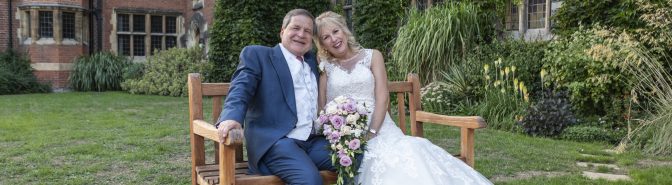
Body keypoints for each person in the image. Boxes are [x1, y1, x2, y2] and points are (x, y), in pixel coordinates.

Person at [314, 11, 493, 185]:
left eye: (335, 31)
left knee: (407, 153)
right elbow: (322, 107)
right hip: (346, 133)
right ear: (322, 45)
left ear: (344, 30)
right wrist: (339, 134)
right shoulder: (326, 67)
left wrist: (372, 133)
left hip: (380, 126)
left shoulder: (372, 56)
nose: (334, 39)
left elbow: (382, 96)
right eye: (326, 37)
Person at [216, 9, 334, 185]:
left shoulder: (314, 61)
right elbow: (241, 88)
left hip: (312, 142)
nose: (301, 34)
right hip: (277, 143)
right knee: (310, 181)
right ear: (282, 31)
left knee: (358, 157)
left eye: (308, 31)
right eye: (295, 28)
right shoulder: (259, 56)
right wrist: (231, 117)